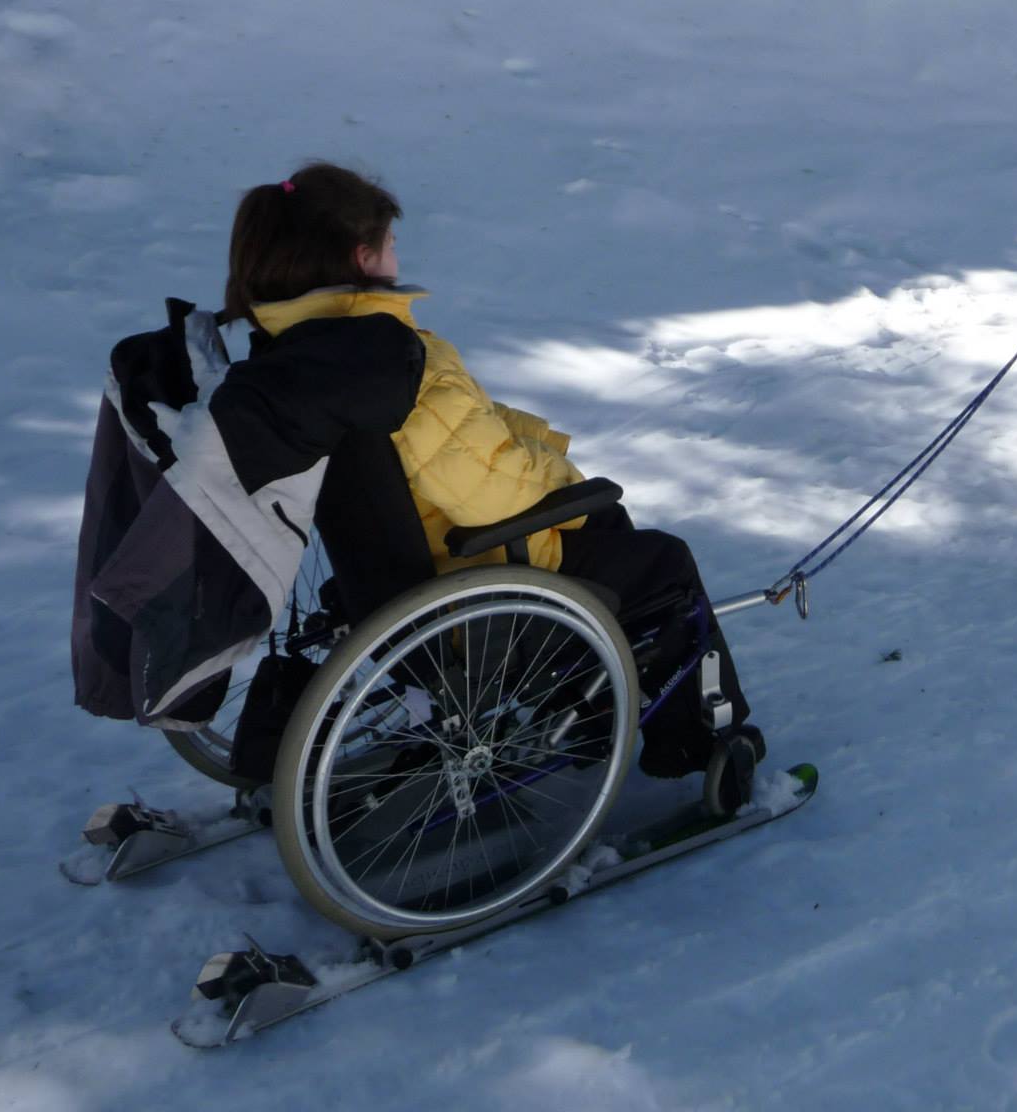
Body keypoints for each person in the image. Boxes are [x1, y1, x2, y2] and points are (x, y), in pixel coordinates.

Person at [221, 161, 763, 793]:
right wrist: (559, 469)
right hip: (474, 592)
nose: (399, 252)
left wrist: (532, 442)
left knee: (606, 527)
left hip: (396, 584)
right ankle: (702, 740)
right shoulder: (394, 361)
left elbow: (460, 442)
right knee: (664, 564)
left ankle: (591, 707)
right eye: (391, 241)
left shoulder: (304, 356)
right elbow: (488, 491)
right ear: (362, 257)